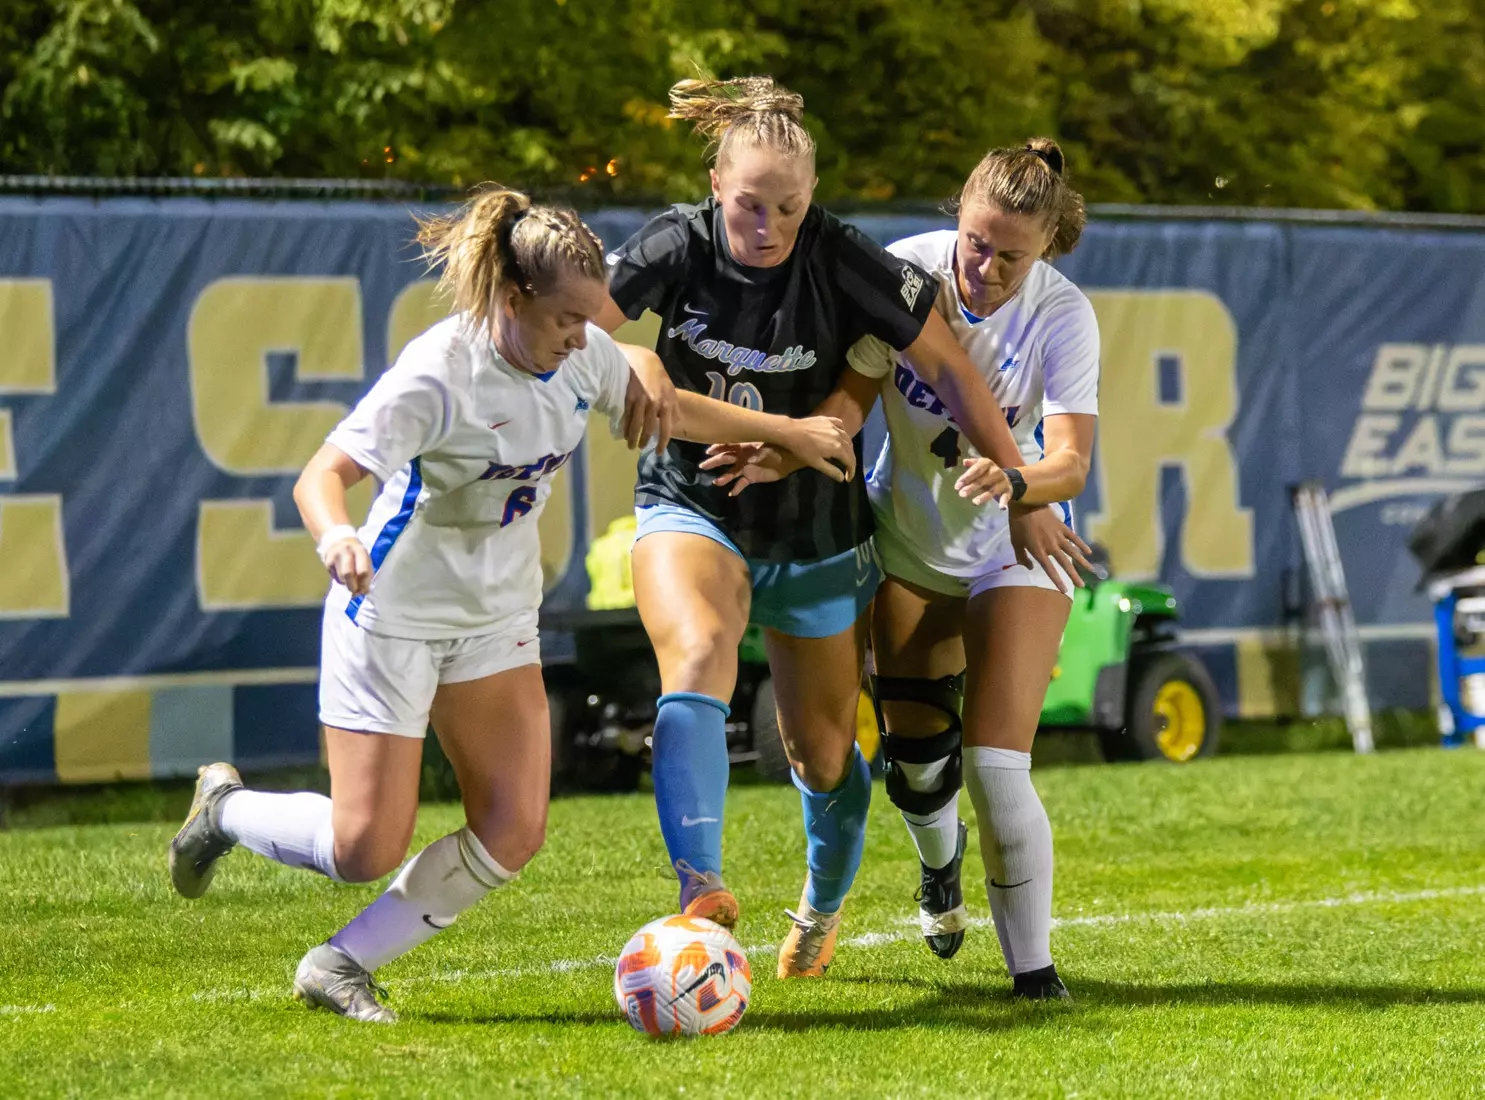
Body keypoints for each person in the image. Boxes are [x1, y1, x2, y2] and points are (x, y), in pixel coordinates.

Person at [166, 186, 856, 1022]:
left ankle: (340, 961)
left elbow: (663, 408)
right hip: (394, 613)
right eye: (567, 318)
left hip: (493, 621)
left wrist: (788, 433)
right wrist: (335, 537)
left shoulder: (579, 356)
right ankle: (226, 809)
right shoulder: (438, 373)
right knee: (363, 847)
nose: (584, 335)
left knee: (513, 829)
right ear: (511, 297)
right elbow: (323, 476)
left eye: (589, 318)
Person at [598, 76, 1087, 980]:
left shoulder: (861, 264)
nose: (768, 225)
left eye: (788, 207)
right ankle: (699, 889)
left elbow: (952, 378)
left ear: (813, 199)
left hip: (820, 527)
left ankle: (825, 907)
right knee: (699, 648)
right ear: (715, 184)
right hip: (695, 500)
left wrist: (1027, 492)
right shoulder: (676, 242)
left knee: (828, 754)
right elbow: (577, 328)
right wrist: (628, 352)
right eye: (750, 204)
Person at [848, 138, 1099, 1000]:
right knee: (917, 769)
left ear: (1046, 250)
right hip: (909, 539)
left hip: (1016, 540)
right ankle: (938, 863)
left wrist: (1020, 484)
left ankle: (1034, 976)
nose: (986, 268)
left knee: (995, 765)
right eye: (977, 243)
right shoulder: (899, 273)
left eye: (1012, 256)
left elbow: (1070, 461)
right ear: (957, 212)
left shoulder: (1063, 316)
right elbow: (847, 400)